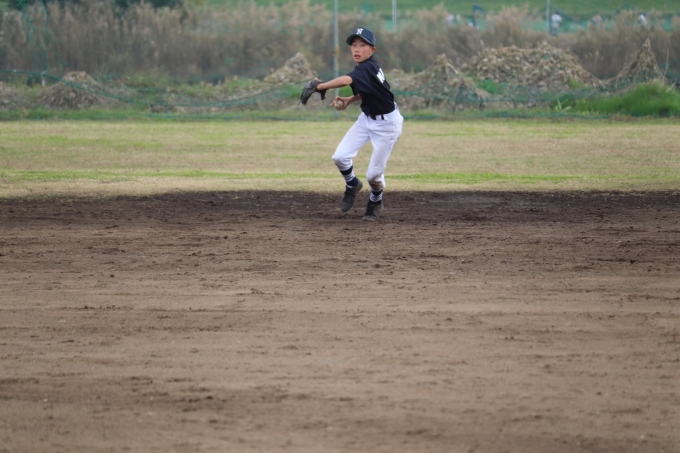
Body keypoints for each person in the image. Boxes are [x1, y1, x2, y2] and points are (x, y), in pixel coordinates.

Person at [313, 27, 404, 222]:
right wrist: (350, 99)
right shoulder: (366, 68)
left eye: (362, 45)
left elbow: (346, 80)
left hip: (387, 125)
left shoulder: (368, 67)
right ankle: (352, 183)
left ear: (373, 49)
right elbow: (370, 91)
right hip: (366, 119)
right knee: (340, 157)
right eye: (354, 45)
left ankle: (375, 200)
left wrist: (321, 86)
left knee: (373, 176)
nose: (357, 49)